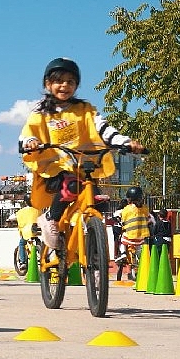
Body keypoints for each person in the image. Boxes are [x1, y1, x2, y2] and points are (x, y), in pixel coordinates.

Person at [19, 57, 145, 254]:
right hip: (55, 168)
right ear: (47, 84)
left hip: (83, 166)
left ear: (76, 85)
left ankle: (92, 241)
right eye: (59, 80)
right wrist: (30, 142)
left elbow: (104, 129)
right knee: (71, 185)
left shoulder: (85, 110)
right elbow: (29, 132)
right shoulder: (41, 112)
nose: (65, 85)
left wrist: (125, 142)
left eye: (70, 81)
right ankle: (51, 218)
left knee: (98, 199)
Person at [120, 186, 153, 259]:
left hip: (130, 237)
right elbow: (148, 218)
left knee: (122, 239)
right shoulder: (145, 208)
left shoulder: (126, 209)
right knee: (141, 251)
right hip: (142, 238)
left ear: (129, 199)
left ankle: (123, 253)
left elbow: (123, 220)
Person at [15, 193, 41, 268]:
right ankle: (41, 252)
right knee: (38, 240)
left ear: (25, 202)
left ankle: (23, 262)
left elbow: (17, 218)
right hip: (37, 230)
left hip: (27, 231)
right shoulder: (38, 210)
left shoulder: (21, 211)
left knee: (22, 244)